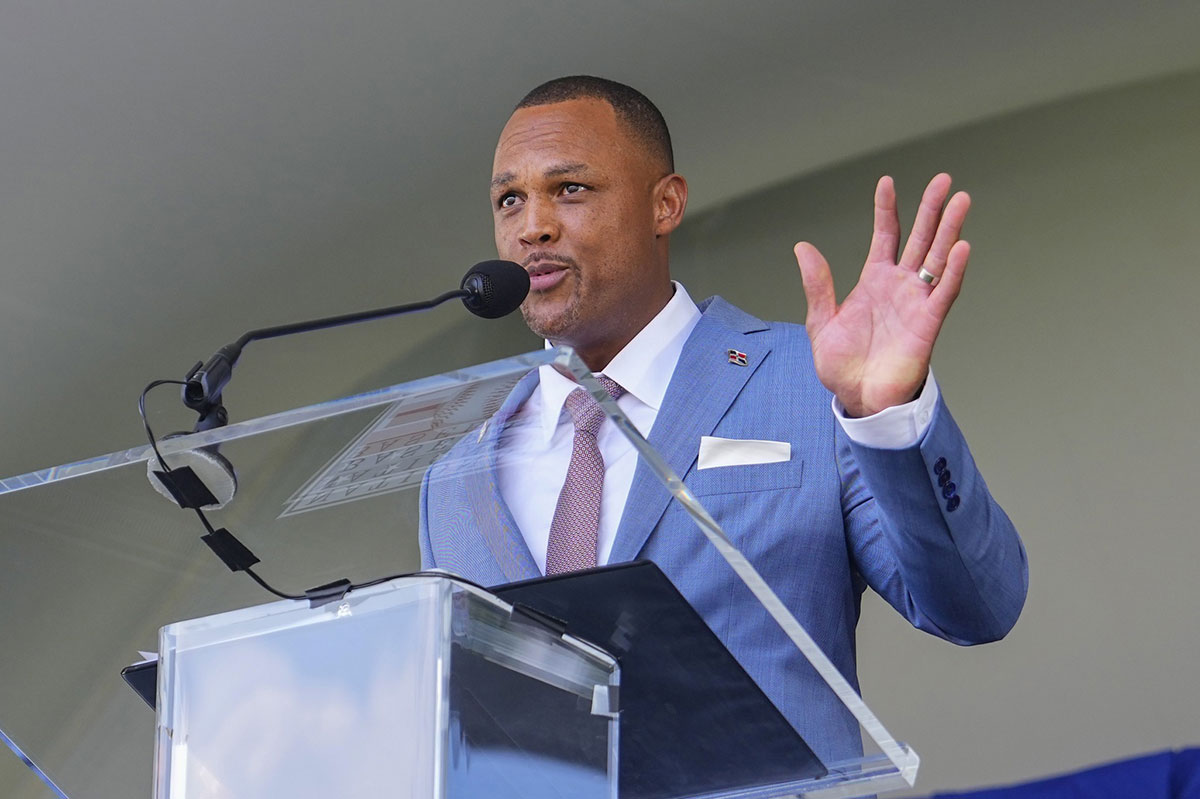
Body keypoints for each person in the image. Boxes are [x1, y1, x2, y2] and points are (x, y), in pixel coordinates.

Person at [420, 76, 1028, 764]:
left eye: (570, 189)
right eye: (510, 199)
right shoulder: (452, 482)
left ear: (666, 204)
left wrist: (887, 412)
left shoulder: (809, 383)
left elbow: (978, 604)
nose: (533, 225)